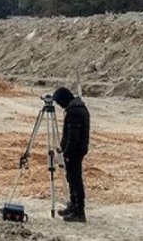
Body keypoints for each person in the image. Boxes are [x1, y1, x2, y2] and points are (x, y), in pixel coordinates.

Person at [53, 86, 90, 223]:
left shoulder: (74, 112)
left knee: (75, 180)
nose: (59, 106)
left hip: (75, 151)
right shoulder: (77, 108)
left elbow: (72, 137)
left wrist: (66, 153)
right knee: (71, 178)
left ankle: (79, 212)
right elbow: (69, 134)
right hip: (78, 150)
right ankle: (73, 206)